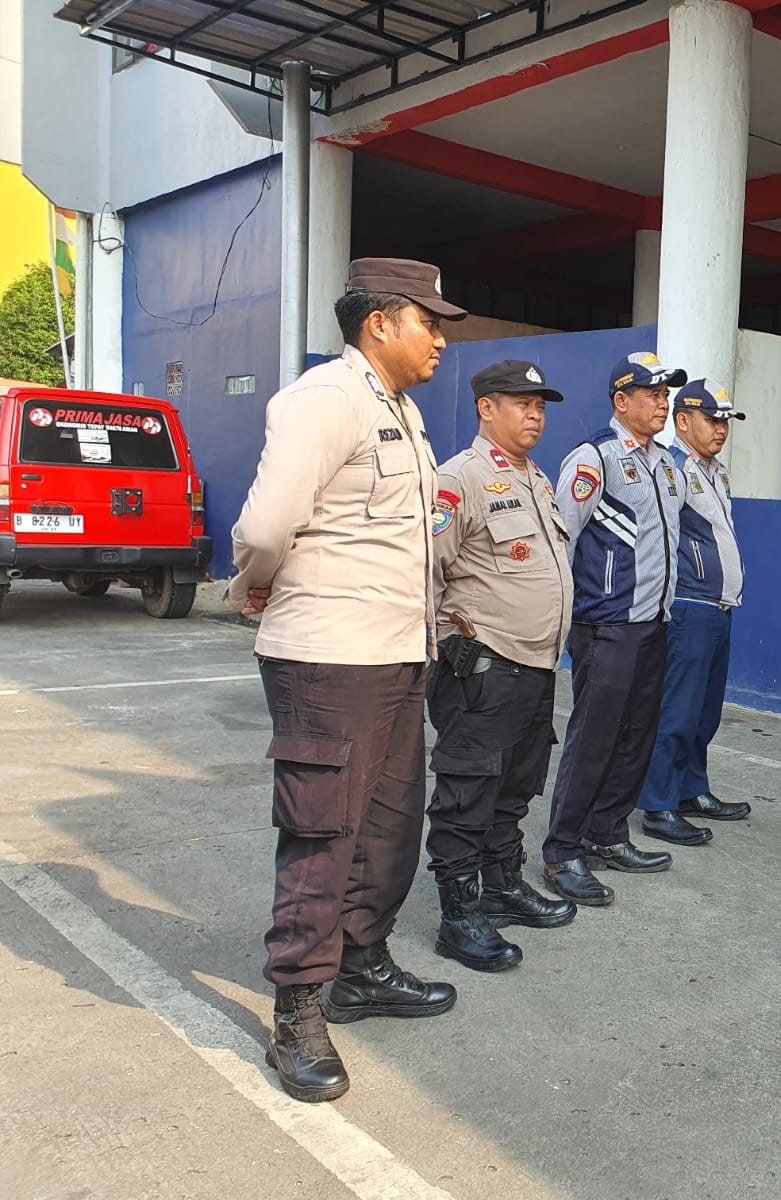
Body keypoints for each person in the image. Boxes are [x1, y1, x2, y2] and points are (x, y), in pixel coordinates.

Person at [228, 258, 467, 1104]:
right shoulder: (324, 399)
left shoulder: (400, 410)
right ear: (379, 323)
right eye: (428, 322)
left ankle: (361, 968)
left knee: (389, 827)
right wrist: (254, 582)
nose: (441, 339)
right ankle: (297, 1010)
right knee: (323, 832)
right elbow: (266, 526)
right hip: (329, 658)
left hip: (396, 654)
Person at [425, 360, 578, 973]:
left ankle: (502, 887)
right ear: (486, 408)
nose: (535, 415)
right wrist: (439, 647)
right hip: (483, 666)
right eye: (522, 404)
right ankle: (459, 917)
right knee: (467, 792)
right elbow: (424, 570)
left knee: (515, 786)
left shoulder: (536, 478)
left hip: (535, 665)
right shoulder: (459, 479)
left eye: (540, 406)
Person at [539, 352, 688, 905]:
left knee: (635, 737)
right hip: (606, 626)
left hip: (653, 624)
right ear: (621, 401)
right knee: (594, 739)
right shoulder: (594, 458)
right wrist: (558, 621)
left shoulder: (666, 464)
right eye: (652, 394)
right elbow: (561, 541)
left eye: (666, 395)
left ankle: (607, 832)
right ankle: (562, 850)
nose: (662, 403)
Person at [636, 379, 754, 844]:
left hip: (719, 609)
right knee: (678, 712)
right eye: (711, 419)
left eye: (725, 420)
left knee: (705, 712)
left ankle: (691, 790)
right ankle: (659, 805)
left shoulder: (715, 471)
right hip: (689, 606)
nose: (721, 428)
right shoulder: (672, 470)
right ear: (683, 421)